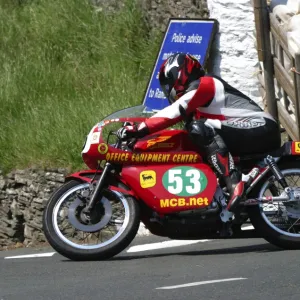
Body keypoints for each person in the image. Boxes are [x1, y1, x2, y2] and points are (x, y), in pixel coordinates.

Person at [117, 53, 281, 214]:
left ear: (180, 73)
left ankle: (233, 182)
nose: (169, 89)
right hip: (246, 131)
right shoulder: (198, 102)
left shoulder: (206, 84)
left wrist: (140, 128)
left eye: (168, 83)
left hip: (261, 126)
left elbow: (175, 111)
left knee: (199, 127)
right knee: (192, 135)